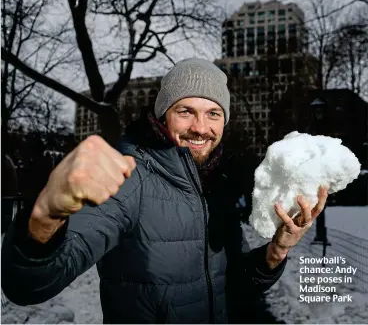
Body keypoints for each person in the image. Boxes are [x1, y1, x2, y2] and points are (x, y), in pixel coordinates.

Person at [1, 58, 328, 324]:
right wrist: (47, 213)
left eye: (213, 113)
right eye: (185, 111)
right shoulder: (130, 175)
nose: (200, 127)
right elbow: (28, 285)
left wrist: (275, 252)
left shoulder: (217, 183)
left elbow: (234, 284)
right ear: (162, 115)